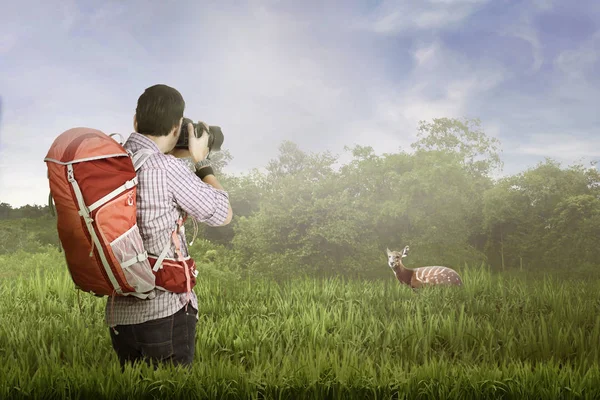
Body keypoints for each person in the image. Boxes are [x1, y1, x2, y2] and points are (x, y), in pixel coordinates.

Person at [106, 84, 232, 370]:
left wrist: (173, 153)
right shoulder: (167, 169)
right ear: (177, 128)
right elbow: (223, 213)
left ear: (135, 121)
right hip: (165, 311)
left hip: (119, 315)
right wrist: (202, 161)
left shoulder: (115, 161)